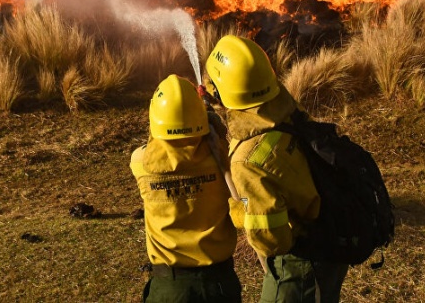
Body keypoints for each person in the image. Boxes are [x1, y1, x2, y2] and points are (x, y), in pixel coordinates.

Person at [204, 35, 348, 303]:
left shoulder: (247, 161)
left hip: (302, 262)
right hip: (331, 237)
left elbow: (271, 241)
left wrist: (238, 209)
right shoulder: (286, 109)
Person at [130, 74, 242, 303]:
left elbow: (155, 144)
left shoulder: (140, 163)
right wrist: (213, 126)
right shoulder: (221, 159)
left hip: (170, 288)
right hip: (219, 285)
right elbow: (221, 149)